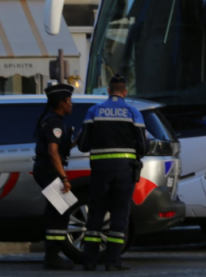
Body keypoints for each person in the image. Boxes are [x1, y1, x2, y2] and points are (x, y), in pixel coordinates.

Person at [78, 74, 148, 272]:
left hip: (100, 172)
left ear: (108, 91)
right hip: (124, 172)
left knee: (95, 215)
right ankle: (113, 261)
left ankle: (90, 261)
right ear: (125, 92)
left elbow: (83, 145)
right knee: (119, 215)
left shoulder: (93, 111)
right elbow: (143, 147)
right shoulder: (133, 113)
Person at [32, 83, 77, 270]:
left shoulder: (52, 119)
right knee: (61, 210)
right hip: (49, 170)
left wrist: (77, 141)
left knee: (58, 209)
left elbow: (60, 148)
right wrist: (64, 178)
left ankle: (52, 254)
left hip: (45, 169)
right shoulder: (55, 122)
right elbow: (53, 152)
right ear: (63, 103)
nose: (72, 105)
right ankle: (52, 256)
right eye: (70, 101)